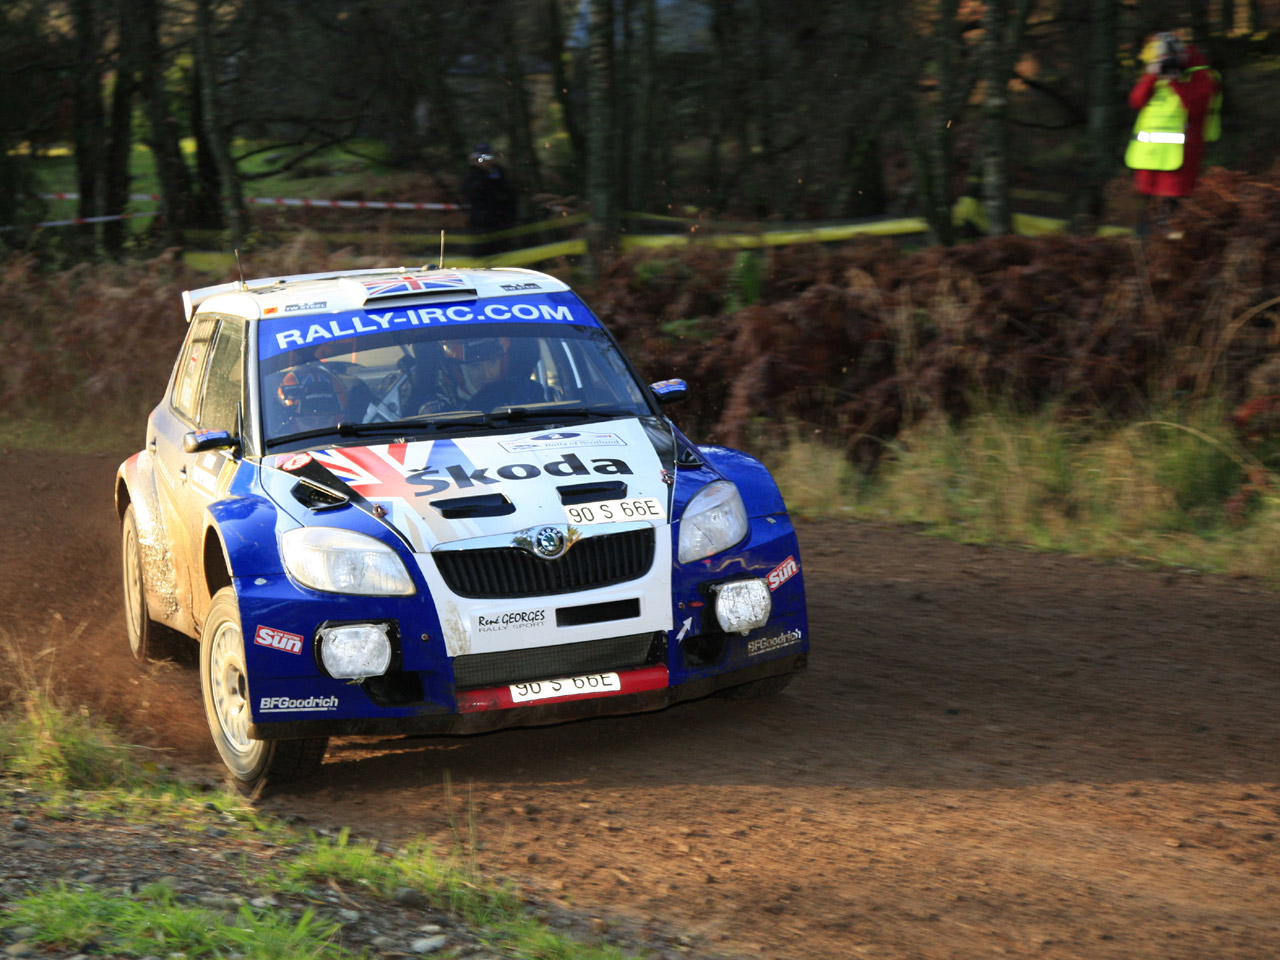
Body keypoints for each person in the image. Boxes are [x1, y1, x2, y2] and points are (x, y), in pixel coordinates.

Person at [1125, 32, 1217, 239]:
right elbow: (1136, 101)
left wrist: (1174, 80)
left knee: (1173, 220)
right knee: (1146, 217)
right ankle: (1142, 248)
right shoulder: (1154, 73)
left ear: (1183, 53)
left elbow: (1196, 108)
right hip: (1149, 158)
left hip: (1180, 160)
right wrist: (1152, 75)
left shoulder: (1200, 75)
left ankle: (1172, 250)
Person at [462, 143, 517, 232]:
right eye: (481, 157)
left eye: (488, 156)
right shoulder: (473, 175)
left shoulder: (498, 171)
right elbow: (472, 193)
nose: (485, 160)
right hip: (482, 220)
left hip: (503, 218)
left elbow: (506, 191)